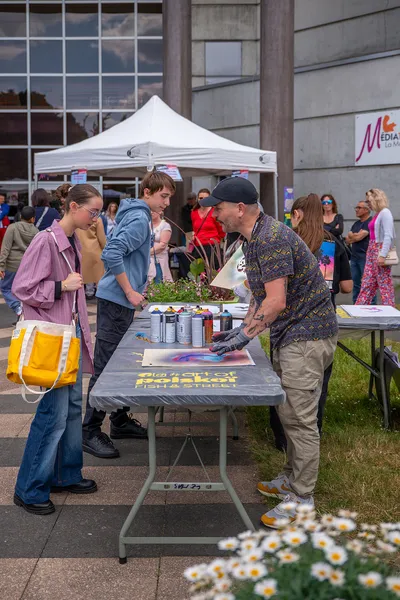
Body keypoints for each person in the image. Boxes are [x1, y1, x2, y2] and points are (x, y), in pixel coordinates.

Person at [200, 177, 338, 527]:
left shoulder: (271, 238)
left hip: (307, 336)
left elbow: (276, 302)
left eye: (218, 208)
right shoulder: (254, 238)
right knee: (288, 411)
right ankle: (291, 479)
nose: (214, 214)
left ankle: (302, 498)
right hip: (291, 334)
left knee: (300, 419)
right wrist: (242, 327)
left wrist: (244, 336)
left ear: (239, 208)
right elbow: (260, 296)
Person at [11, 184, 102, 515]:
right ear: (73, 206)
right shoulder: (46, 240)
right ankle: (29, 488)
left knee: (72, 408)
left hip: (68, 334)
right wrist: (61, 286)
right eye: (93, 211)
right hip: (54, 336)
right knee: (53, 413)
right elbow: (22, 287)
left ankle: (65, 474)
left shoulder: (71, 239)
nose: (96, 218)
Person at [82, 171, 176, 459]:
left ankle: (120, 420)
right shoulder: (138, 218)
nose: (167, 202)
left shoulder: (136, 214)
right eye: (163, 196)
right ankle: (89, 431)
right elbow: (111, 253)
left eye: (169, 197)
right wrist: (130, 290)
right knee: (106, 365)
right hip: (115, 300)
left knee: (120, 361)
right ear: (147, 192)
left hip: (118, 300)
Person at [269, 194, 351, 451]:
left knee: (283, 382)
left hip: (288, 324)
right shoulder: (333, 243)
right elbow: (347, 286)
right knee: (318, 385)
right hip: (323, 324)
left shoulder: (288, 242)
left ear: (297, 214)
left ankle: (282, 439)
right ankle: (313, 433)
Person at [356, 188, 396, 307]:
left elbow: (388, 235)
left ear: (376, 199)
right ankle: (361, 307)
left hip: (379, 249)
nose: (367, 204)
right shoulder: (378, 214)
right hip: (372, 249)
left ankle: (389, 309)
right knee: (367, 281)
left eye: (368, 201)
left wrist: (382, 255)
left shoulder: (385, 213)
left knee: (384, 283)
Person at [0, 206, 38, 317]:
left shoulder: (12, 228)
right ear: (33, 219)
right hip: (27, 266)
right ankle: (25, 311)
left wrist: (1, 266)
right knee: (23, 290)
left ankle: (17, 306)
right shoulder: (36, 231)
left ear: (21, 216)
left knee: (5, 288)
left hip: (12, 265)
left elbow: (5, 248)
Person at [345, 200, 374, 304]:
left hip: (365, 258)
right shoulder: (356, 223)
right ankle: (356, 305)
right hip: (354, 258)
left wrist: (353, 236)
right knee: (356, 284)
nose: (356, 210)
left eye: (359, 208)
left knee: (368, 285)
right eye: (356, 208)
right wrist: (354, 236)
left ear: (366, 210)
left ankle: (371, 306)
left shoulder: (370, 222)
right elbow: (348, 240)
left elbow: (358, 238)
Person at [191, 188, 225, 265]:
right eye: (201, 198)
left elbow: (221, 231)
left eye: (206, 198)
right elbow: (194, 229)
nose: (203, 200)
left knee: (213, 269)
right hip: (198, 246)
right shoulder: (194, 212)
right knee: (198, 270)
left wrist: (216, 241)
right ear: (197, 199)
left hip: (212, 246)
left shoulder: (214, 212)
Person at [76, 216, 107, 299]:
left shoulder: (77, 217)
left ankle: (83, 295)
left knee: (82, 276)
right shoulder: (97, 219)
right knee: (98, 277)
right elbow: (102, 239)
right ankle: (98, 295)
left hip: (80, 250)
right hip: (95, 250)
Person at [147, 211, 173, 284]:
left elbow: (162, 245)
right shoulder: (146, 225)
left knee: (159, 282)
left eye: (154, 210)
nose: (151, 212)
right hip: (146, 260)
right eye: (150, 210)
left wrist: (147, 253)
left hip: (159, 260)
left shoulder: (165, 225)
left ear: (160, 211)